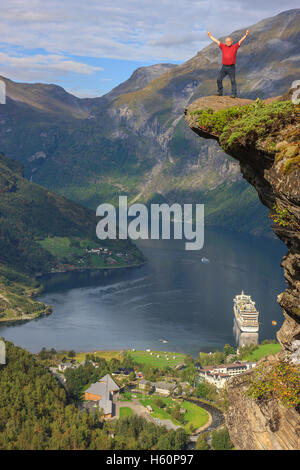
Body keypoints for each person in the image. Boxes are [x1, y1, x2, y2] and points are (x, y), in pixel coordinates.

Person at [207, 30, 250, 98]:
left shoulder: (235, 47)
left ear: (231, 42)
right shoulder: (223, 46)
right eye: (227, 41)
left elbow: (240, 41)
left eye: (229, 41)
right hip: (224, 67)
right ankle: (220, 92)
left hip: (231, 67)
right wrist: (210, 36)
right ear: (225, 42)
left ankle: (234, 94)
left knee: (233, 81)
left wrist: (246, 35)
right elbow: (216, 41)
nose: (228, 42)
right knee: (219, 79)